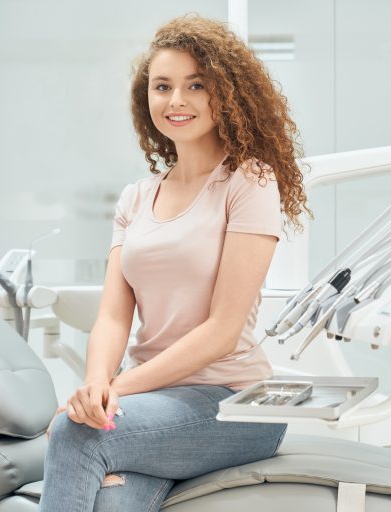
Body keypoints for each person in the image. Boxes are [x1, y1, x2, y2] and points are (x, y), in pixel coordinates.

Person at [40, 14, 311, 512]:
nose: (176, 101)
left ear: (225, 94)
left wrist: (113, 391)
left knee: (76, 433)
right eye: (162, 86)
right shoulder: (136, 198)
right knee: (110, 503)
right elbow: (114, 315)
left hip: (231, 403)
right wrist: (97, 382)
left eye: (195, 85)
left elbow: (223, 331)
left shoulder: (249, 181)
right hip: (150, 400)